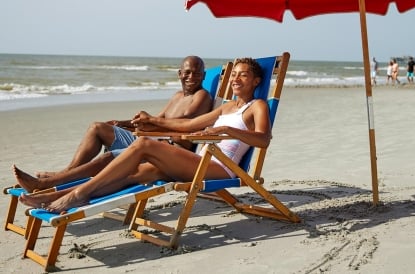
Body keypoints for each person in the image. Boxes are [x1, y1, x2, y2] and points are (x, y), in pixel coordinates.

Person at [15, 57, 271, 213]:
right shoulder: (227, 106)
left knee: (144, 146)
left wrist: (227, 130)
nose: (236, 79)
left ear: (256, 81)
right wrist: (148, 122)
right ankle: (53, 195)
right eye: (234, 74)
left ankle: (77, 194)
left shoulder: (257, 106)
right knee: (130, 174)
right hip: (202, 161)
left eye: (243, 75)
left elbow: (263, 139)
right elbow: (189, 124)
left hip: (220, 167)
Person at [32, 55, 213, 184]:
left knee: (108, 157)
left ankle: (57, 180)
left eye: (197, 74)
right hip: (153, 141)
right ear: (179, 73)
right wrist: (123, 123)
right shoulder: (177, 96)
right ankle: (67, 172)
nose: (192, 77)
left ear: (203, 76)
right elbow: (157, 120)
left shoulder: (202, 96)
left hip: (168, 154)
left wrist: (150, 122)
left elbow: (185, 123)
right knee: (97, 127)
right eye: (188, 72)